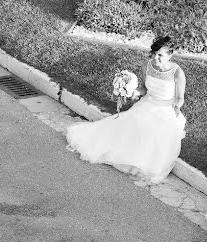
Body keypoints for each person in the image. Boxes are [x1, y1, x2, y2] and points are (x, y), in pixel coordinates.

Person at [65, 35, 186, 183]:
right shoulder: (146, 66)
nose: (155, 58)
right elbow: (145, 88)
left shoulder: (177, 73)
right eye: (153, 54)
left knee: (155, 131)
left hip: (166, 108)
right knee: (132, 123)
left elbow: (180, 97)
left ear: (170, 55)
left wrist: (177, 105)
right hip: (147, 104)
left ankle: (141, 163)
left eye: (160, 55)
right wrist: (133, 91)